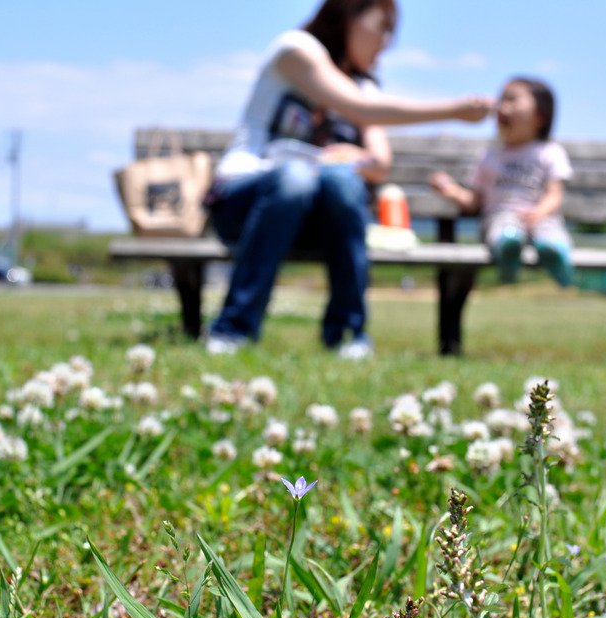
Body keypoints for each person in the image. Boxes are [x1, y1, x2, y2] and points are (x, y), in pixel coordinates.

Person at [204, 0, 492, 358]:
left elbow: (379, 161)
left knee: (341, 181)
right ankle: (234, 328)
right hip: (246, 200)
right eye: (383, 27)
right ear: (350, 14)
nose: (387, 41)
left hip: (310, 214)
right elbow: (362, 110)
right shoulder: (296, 49)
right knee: (295, 176)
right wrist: (454, 110)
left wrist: (351, 158)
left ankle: (347, 333)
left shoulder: (361, 83)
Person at [430, 77, 574, 286]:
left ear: (540, 115)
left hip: (540, 216)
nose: (502, 107)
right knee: (503, 229)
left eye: (512, 100)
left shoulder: (550, 152)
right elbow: (475, 201)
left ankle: (556, 256)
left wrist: (539, 213)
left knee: (550, 231)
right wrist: (451, 190)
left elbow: (555, 193)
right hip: (499, 215)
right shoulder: (488, 156)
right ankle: (508, 254)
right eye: (501, 100)